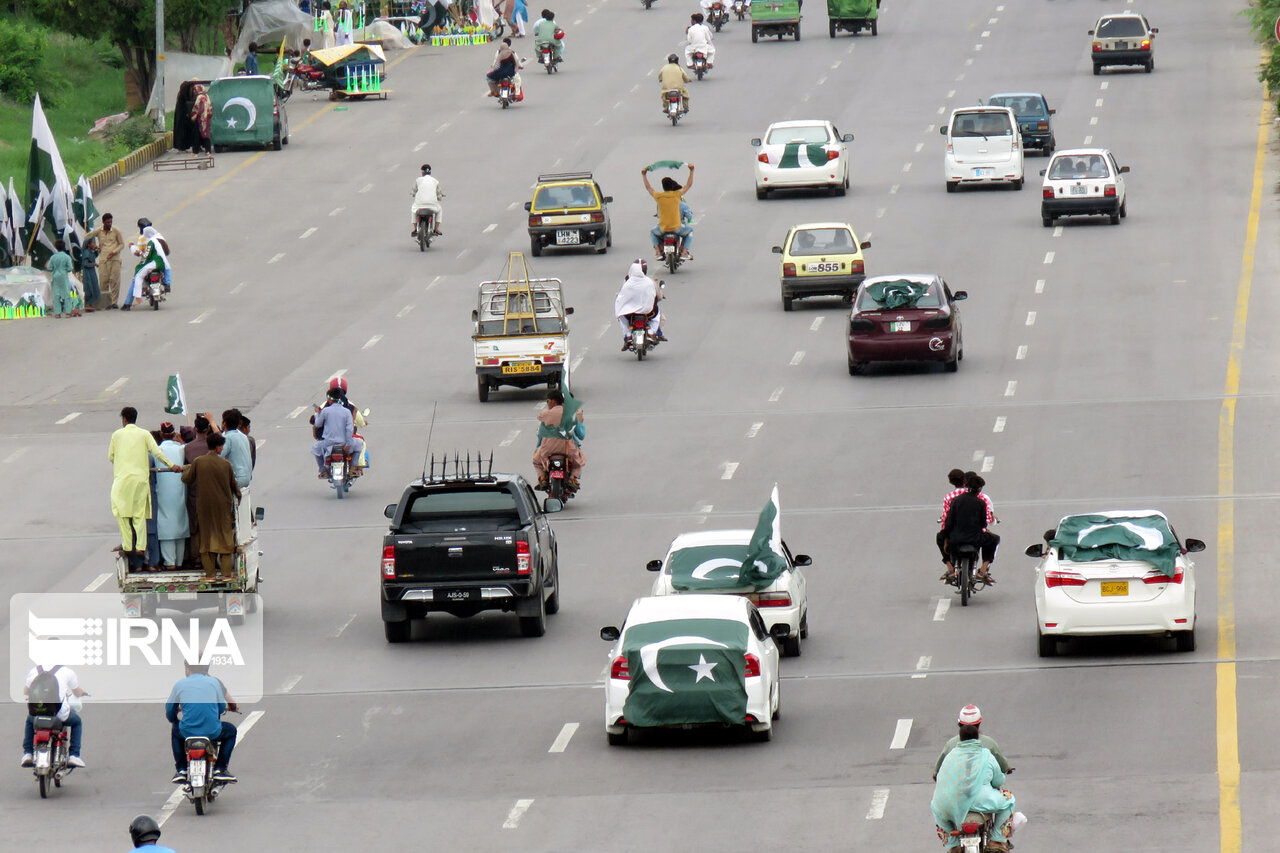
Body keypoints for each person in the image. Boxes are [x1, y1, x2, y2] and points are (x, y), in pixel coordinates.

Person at [110, 407, 181, 571]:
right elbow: (157, 453)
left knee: (122, 514)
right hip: (141, 481)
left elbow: (111, 457)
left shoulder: (116, 435)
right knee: (139, 515)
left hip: (122, 481)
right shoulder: (144, 434)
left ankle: (128, 545)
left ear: (124, 420)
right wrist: (173, 465)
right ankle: (141, 546)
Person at [931, 722, 1017, 852]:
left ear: (960, 738)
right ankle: (997, 840)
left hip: (950, 802)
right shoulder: (986, 754)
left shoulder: (950, 755)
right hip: (981, 801)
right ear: (978, 737)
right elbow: (999, 780)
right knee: (1009, 800)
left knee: (936, 808)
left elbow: (941, 778)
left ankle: (953, 845)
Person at [165, 663, 238, 784]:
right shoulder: (214, 682)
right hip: (212, 731)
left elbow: (169, 710)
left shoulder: (180, 684)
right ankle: (220, 769)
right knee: (231, 731)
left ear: (188, 669)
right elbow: (220, 709)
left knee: (175, 731)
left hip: (187, 731)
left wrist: (174, 721)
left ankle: (182, 769)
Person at [181, 433, 240, 581]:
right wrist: (238, 496)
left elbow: (186, 479)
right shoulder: (226, 464)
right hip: (223, 508)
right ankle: (226, 574)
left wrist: (187, 468)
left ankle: (210, 575)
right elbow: (234, 486)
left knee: (206, 541)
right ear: (219, 447)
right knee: (225, 540)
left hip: (204, 508)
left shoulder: (198, 462)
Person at [20, 663, 87, 769]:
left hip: (38, 713)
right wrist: (83, 692)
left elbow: (26, 691)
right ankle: (74, 755)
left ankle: (28, 753)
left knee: (29, 721)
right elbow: (77, 692)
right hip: (59, 714)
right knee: (77, 722)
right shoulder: (67, 671)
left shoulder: (35, 670)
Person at [942, 472, 1000, 582]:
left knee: (939, 537)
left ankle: (950, 568)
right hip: (975, 539)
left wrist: (946, 538)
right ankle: (983, 570)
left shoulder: (956, 501)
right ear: (979, 489)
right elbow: (983, 523)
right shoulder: (981, 502)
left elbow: (949, 522)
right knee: (994, 539)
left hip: (956, 539)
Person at [933, 705, 1011, 781]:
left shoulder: (951, 745)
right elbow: (1002, 766)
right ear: (979, 724)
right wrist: (1006, 768)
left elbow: (938, 770)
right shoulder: (989, 745)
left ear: (960, 725)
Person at [532, 390, 585, 493]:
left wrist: (539, 449)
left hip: (547, 450)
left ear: (553, 401)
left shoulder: (545, 415)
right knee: (579, 462)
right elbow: (581, 435)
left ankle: (542, 478)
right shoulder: (572, 414)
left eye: (548, 401)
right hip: (567, 450)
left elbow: (540, 435)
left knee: (536, 461)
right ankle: (572, 479)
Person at [642, 162, 695, 261]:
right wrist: (691, 171)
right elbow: (688, 185)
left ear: (663, 187)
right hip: (677, 228)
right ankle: (684, 252)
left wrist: (644, 175)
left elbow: (648, 188)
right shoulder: (677, 195)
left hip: (663, 228)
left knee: (653, 232)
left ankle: (658, 252)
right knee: (690, 230)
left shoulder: (659, 196)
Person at [155, 423, 190, 572]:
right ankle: (180, 561)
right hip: (180, 490)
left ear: (161, 434)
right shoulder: (181, 449)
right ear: (174, 433)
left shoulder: (157, 450)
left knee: (165, 524)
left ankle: (170, 562)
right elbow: (186, 446)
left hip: (162, 491)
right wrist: (181, 440)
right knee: (180, 522)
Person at [219, 409, 254, 551]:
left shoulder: (228, 438)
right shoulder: (243, 437)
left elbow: (218, 456)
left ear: (224, 423)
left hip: (236, 479)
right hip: (246, 478)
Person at [614, 259, 665, 350]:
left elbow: (621, 296)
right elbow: (658, 296)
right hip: (647, 311)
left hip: (629, 312)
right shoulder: (650, 282)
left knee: (620, 316)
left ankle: (628, 335)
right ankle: (651, 332)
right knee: (657, 316)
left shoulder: (627, 282)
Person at [312, 387, 360, 476]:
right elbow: (349, 429)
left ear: (330, 398)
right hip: (344, 443)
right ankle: (353, 467)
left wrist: (318, 413)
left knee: (315, 448)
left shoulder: (325, 411)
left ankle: (323, 471)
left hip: (328, 443)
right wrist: (348, 444)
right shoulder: (346, 412)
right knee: (359, 446)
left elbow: (318, 424)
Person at [84, 212, 124, 309]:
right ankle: (105, 302)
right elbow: (87, 237)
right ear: (103, 222)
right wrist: (93, 246)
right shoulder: (99, 231)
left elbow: (121, 244)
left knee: (114, 280)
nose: (109, 224)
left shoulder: (116, 231)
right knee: (103, 280)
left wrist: (114, 251)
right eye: (107, 222)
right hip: (103, 259)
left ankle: (114, 302)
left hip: (115, 258)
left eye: (110, 222)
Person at [123, 226, 168, 310]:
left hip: (154, 263)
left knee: (138, 275)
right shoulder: (158, 239)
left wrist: (139, 252)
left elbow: (146, 255)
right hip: (161, 263)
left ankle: (138, 298)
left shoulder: (151, 242)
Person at [410, 164, 444, 237]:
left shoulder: (418, 180)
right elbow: (439, 194)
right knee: (440, 209)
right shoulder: (435, 181)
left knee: (413, 209)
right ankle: (436, 229)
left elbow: (414, 191)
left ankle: (415, 229)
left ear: (422, 172)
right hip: (432, 205)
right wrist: (439, 198)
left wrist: (413, 194)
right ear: (430, 172)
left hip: (419, 205)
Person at [46, 239, 76, 318]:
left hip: (55, 276)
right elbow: (70, 268)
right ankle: (68, 312)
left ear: (56, 247)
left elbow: (49, 267)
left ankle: (57, 313)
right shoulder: (67, 257)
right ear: (64, 247)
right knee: (66, 294)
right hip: (64, 276)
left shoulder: (53, 257)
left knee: (56, 295)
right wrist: (64, 269)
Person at [79, 235, 100, 312]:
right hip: (88, 272)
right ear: (88, 245)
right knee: (89, 287)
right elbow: (85, 264)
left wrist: (97, 250)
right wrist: (94, 264)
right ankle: (87, 304)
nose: (94, 244)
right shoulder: (86, 253)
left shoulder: (90, 251)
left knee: (94, 286)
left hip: (92, 272)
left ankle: (90, 304)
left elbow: (94, 256)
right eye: (92, 243)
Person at [191, 84, 213, 156]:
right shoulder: (206, 96)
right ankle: (208, 151)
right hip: (206, 119)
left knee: (197, 136)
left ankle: (195, 152)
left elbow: (198, 108)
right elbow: (210, 108)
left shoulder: (199, 97)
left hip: (200, 119)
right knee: (206, 135)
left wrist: (195, 115)